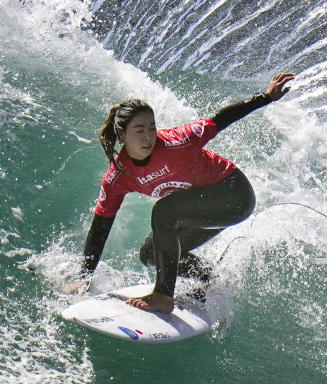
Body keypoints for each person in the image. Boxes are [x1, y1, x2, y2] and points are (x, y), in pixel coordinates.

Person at [66, 72, 295, 313]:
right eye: (139, 130)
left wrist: (266, 97)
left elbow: (220, 119)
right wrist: (84, 277)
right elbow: (100, 227)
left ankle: (163, 296)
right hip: (203, 208)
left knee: (164, 211)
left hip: (234, 195)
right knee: (151, 253)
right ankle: (208, 278)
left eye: (152, 128)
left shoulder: (178, 142)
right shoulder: (119, 176)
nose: (148, 137)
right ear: (122, 135)